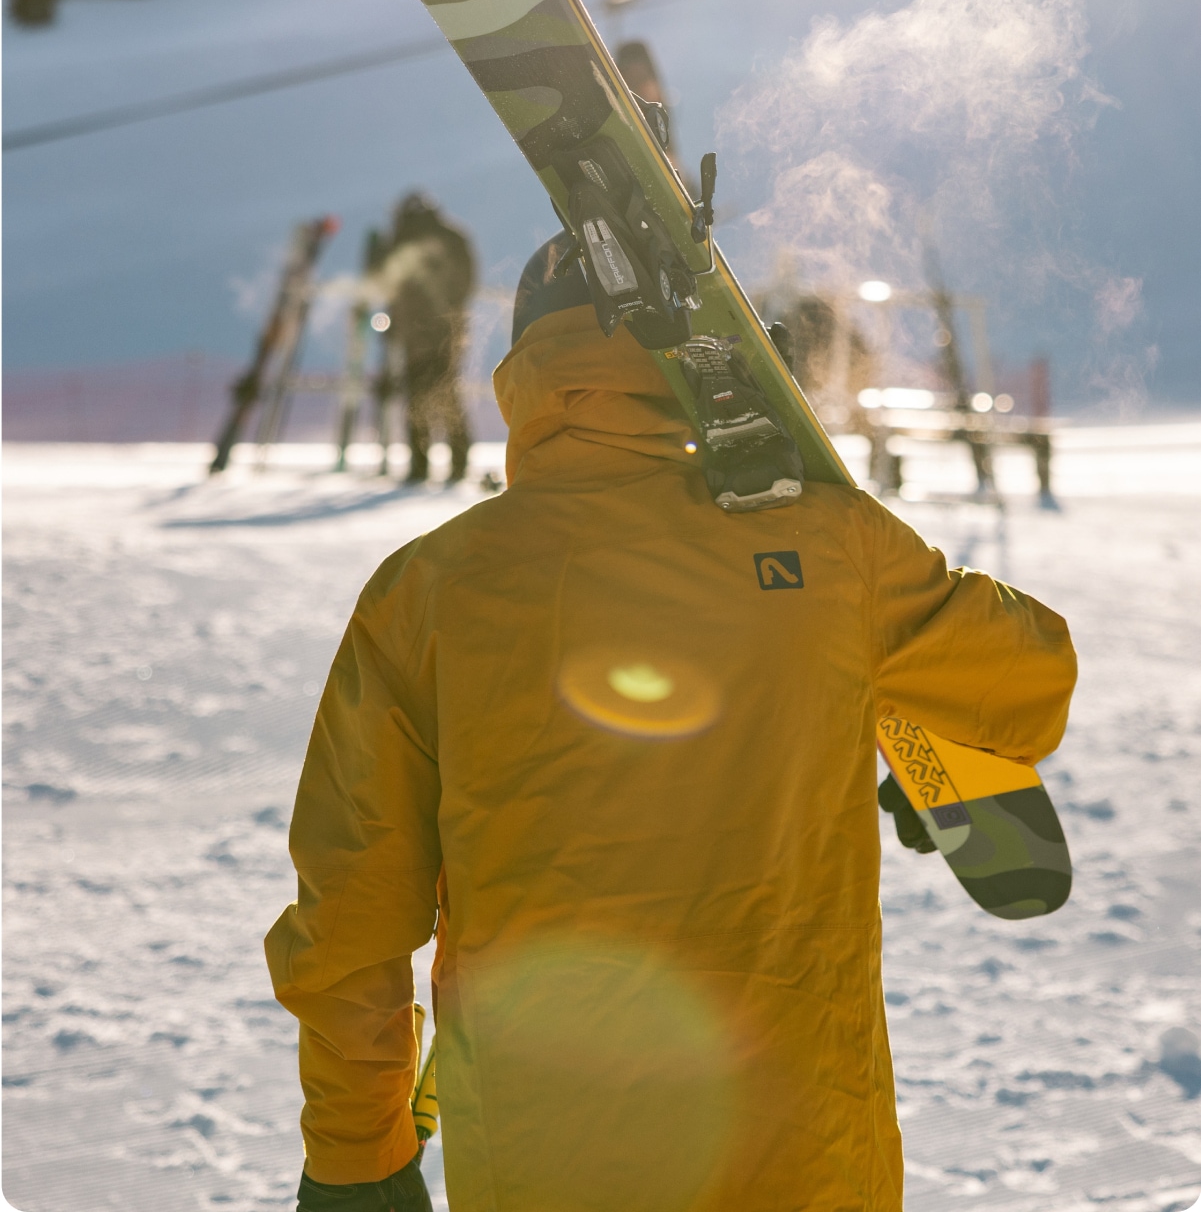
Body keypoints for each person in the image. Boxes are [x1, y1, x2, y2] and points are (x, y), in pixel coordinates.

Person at [266, 233, 1077, 1211]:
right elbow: (1026, 679)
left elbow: (353, 909)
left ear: (522, 375)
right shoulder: (830, 546)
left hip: (540, 1151)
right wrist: (920, 713)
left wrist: (357, 1152)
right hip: (809, 1145)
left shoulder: (429, 587)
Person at [376, 193, 476, 484]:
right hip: (446, 330)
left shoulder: (401, 239)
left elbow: (390, 286)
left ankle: (421, 466)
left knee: (418, 397)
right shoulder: (452, 237)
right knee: (446, 394)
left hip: (418, 333)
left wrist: (396, 325)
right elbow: (465, 281)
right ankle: (457, 463)